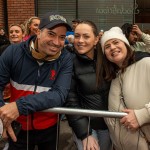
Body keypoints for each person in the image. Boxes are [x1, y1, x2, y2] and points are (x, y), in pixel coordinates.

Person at [0, 11, 73, 150]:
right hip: (17, 127)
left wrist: (19, 106)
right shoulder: (13, 52)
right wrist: (3, 119)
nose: (57, 42)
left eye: (62, 37)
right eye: (51, 34)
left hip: (49, 128)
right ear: (38, 32)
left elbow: (59, 94)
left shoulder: (66, 58)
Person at [100, 26, 150, 150]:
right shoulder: (114, 75)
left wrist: (143, 115)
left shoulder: (146, 63)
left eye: (116, 42)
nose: (112, 47)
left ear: (126, 45)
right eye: (107, 46)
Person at [65, 20, 112, 150]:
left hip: (109, 125)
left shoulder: (107, 59)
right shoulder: (69, 63)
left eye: (86, 36)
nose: (80, 40)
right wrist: (85, 133)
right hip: (87, 127)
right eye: (77, 36)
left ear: (96, 39)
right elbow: (71, 100)